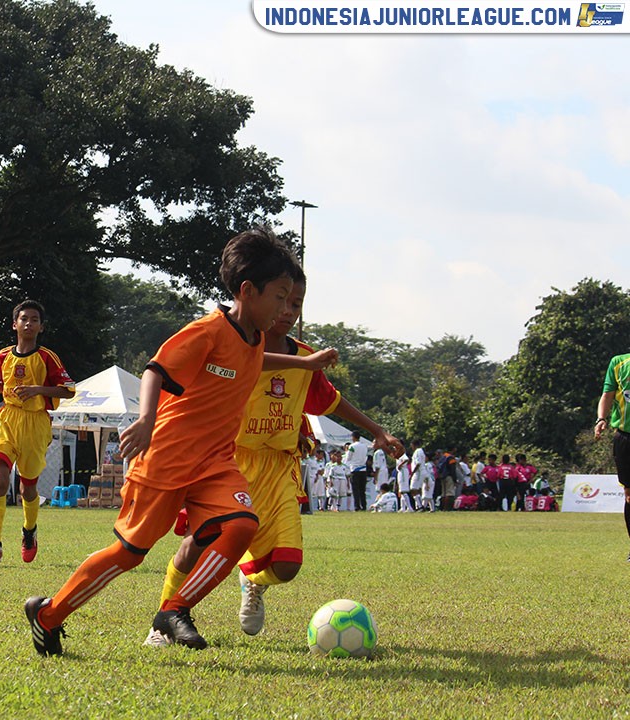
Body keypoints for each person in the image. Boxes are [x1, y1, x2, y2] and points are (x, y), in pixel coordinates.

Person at [23, 228, 300, 656]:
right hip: (166, 457)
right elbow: (155, 369)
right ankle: (48, 615)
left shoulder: (256, 336)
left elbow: (254, 359)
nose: (285, 309)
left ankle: (174, 610)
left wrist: (309, 362)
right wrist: (147, 419)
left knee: (243, 523)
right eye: (280, 297)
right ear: (247, 291)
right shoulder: (207, 331)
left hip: (215, 462)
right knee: (129, 553)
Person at [144, 274, 403, 644]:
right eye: (282, 301)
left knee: (286, 565)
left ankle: (252, 579)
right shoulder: (242, 344)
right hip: (228, 460)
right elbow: (243, 365)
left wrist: (378, 430)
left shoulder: (304, 355)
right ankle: (162, 622)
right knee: (197, 544)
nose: (287, 311)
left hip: (279, 467)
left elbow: (330, 401)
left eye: (296, 304)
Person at [0, 299, 75, 567]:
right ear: (15, 324)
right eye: (24, 319)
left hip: (35, 423)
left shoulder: (47, 357)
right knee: (0, 480)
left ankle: (29, 531)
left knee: (28, 488)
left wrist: (38, 389)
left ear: (41, 327)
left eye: (34, 319)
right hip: (8, 419)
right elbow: (5, 387)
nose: (28, 323)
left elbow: (69, 389)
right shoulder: (4, 355)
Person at [594, 352, 630, 561]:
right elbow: (607, 395)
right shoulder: (619, 363)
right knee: (629, 494)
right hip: (626, 437)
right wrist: (601, 419)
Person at [344, 431, 369, 511]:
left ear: (353, 437)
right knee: (362, 489)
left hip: (355, 469)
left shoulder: (352, 446)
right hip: (363, 469)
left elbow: (348, 458)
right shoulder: (364, 446)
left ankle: (357, 506)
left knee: (355, 489)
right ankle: (364, 506)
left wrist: (347, 451)